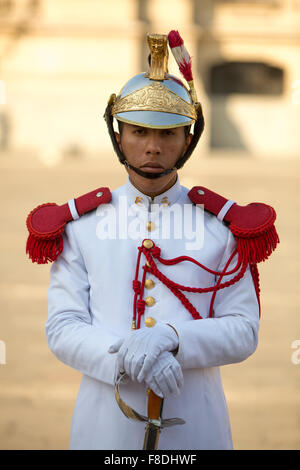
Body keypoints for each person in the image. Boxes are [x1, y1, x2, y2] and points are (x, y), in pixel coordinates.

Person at [25, 32, 279, 450]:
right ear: (118, 135)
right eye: (139, 132)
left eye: (168, 134)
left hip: (196, 426)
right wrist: (123, 357)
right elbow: (63, 327)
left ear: (187, 140)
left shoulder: (222, 226)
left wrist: (174, 338)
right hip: (104, 428)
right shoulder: (82, 225)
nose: (152, 148)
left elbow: (243, 331)